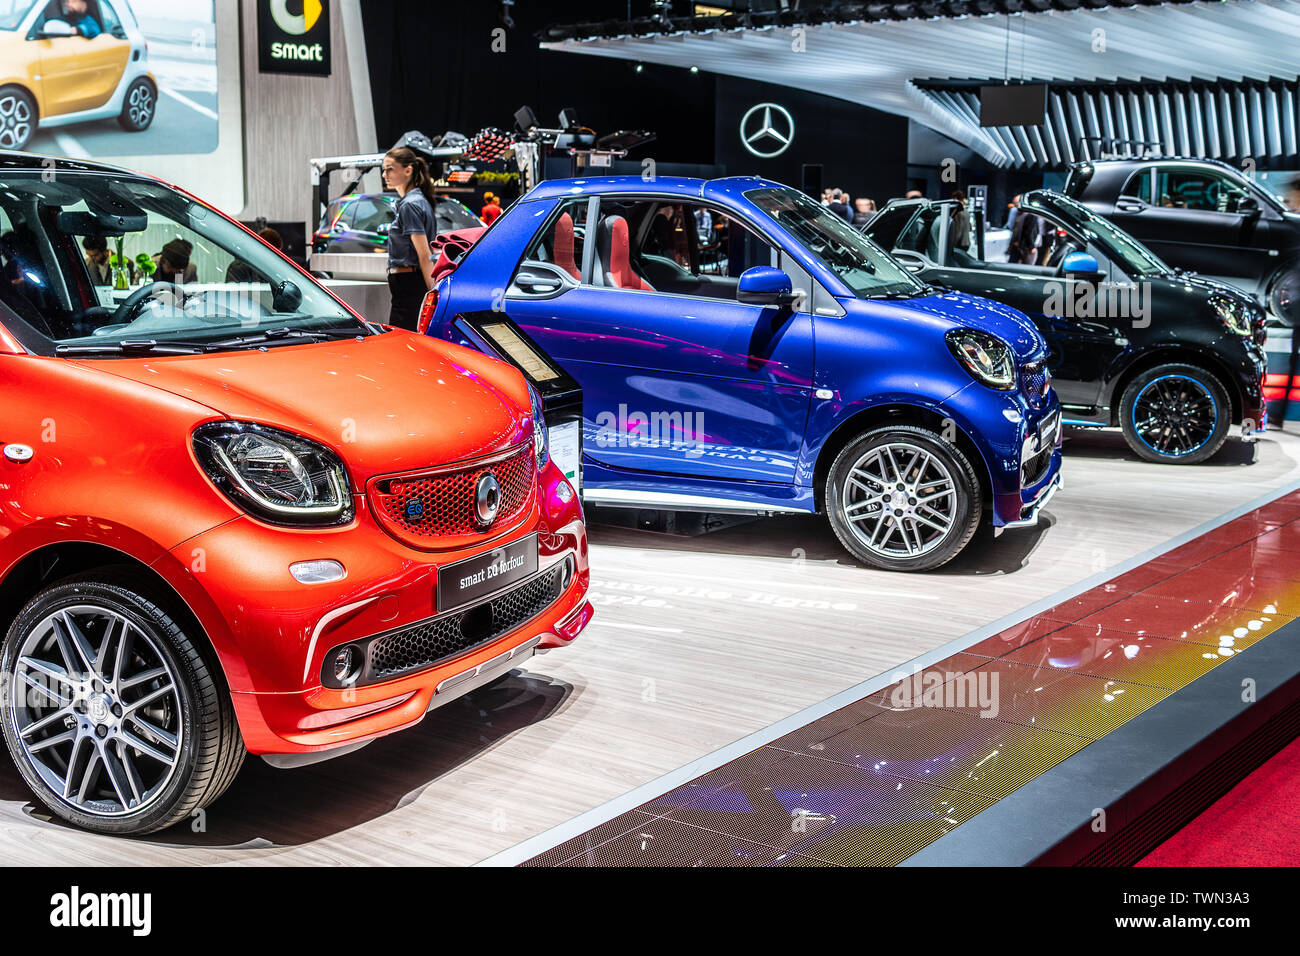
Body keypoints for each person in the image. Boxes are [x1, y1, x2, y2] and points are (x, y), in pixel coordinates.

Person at [382, 146, 437, 331]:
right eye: (384, 169)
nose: (385, 174)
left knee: (401, 339)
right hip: (409, 284)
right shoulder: (419, 201)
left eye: (390, 169)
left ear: (408, 170)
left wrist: (433, 292)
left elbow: (424, 254)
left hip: (409, 285)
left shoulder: (410, 205)